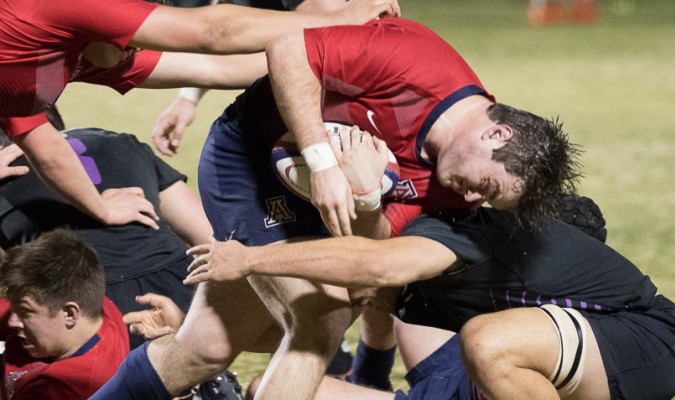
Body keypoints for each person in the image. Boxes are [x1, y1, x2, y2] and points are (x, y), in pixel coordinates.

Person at [92, 17, 579, 400]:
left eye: (489, 199)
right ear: (497, 134)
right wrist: (323, 161)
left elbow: (368, 261)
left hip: (321, 207)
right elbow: (287, 50)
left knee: (204, 349)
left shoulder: (451, 188)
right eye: (487, 186)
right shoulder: (419, 62)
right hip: (248, 161)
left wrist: (367, 198)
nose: (475, 201)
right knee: (321, 317)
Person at [184, 194, 675, 399]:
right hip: (452, 383)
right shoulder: (451, 289)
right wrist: (194, 340)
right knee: (271, 390)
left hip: (525, 358)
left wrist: (250, 259)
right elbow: (357, 292)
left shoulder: (588, 338)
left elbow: (374, 265)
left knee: (487, 339)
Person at [0, 0, 401, 237]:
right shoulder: (65, 7)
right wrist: (342, 17)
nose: (132, 49)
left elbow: (214, 67)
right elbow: (213, 31)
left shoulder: (81, 57)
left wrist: (332, 50)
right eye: (131, 36)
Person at [0, 121, 213, 350]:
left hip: (93, 311)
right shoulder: (116, 140)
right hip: (187, 290)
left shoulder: (5, 183)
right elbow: (209, 236)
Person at [151, 0, 350, 157]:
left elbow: (336, 45)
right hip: (305, 114)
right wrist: (188, 97)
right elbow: (232, 30)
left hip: (343, 115)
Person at [0, 228, 129, 399]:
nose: (12, 321)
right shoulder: (86, 299)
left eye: (24, 312)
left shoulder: (65, 389)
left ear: (70, 314)